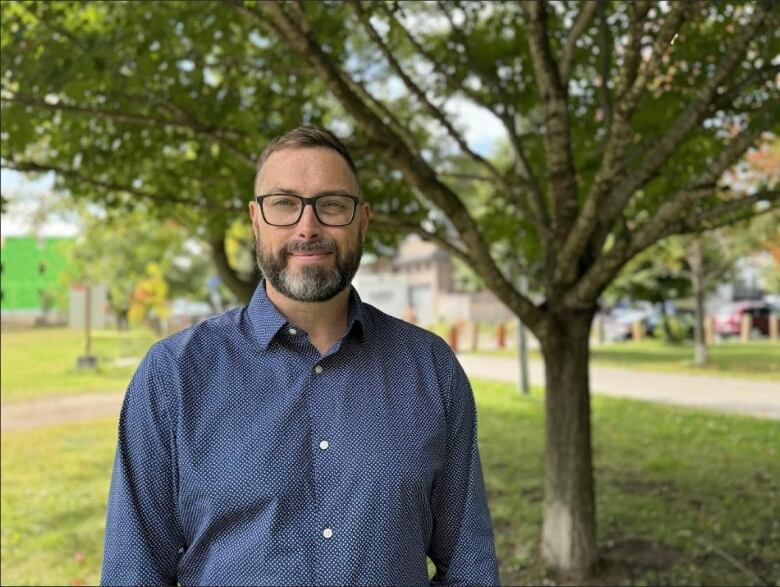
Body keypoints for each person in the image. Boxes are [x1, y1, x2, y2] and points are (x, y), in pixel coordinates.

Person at [101, 126, 500, 586]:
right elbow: (133, 574)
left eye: (331, 205)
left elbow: (470, 567)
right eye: (285, 204)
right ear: (256, 220)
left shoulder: (431, 369)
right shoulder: (172, 376)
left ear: (363, 221)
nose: (307, 227)